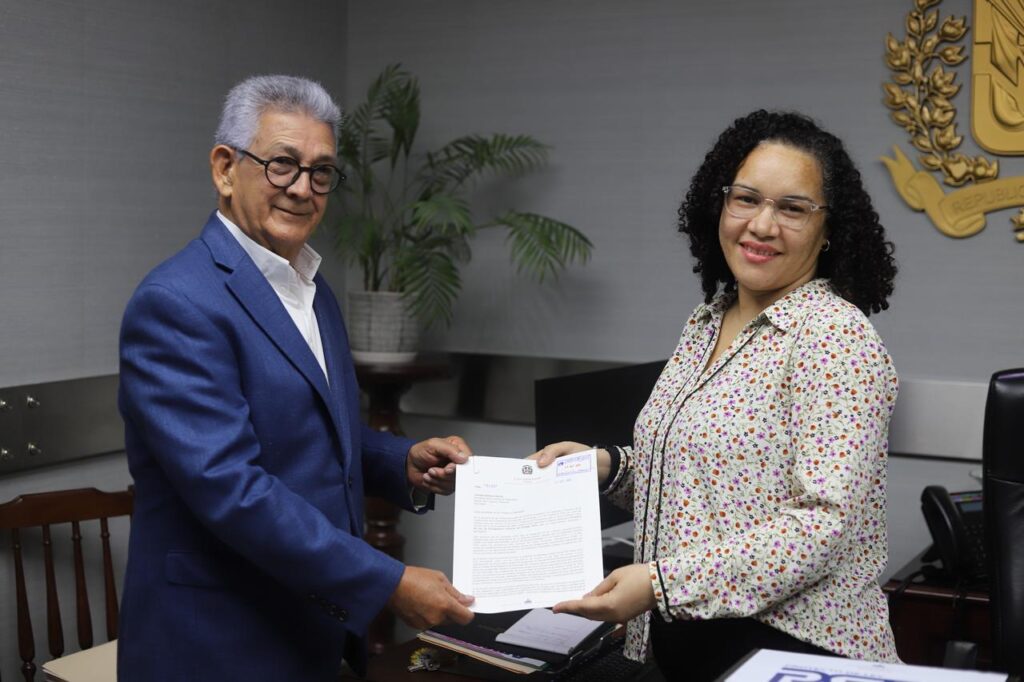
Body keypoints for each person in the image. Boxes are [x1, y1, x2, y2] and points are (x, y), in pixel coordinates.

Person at [117, 75, 474, 682]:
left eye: (322, 171)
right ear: (225, 169)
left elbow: (310, 431)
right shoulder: (176, 303)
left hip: (308, 631)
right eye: (282, 164)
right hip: (217, 644)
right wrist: (386, 580)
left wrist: (401, 461)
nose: (303, 188)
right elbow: (233, 489)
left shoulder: (310, 287)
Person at [532, 110, 899, 680]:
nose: (762, 225)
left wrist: (660, 584)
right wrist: (605, 468)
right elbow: (707, 489)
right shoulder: (707, 322)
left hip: (792, 655)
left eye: (792, 208)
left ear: (829, 229)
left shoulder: (834, 336)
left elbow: (822, 526)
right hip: (695, 647)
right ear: (719, 205)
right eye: (746, 199)